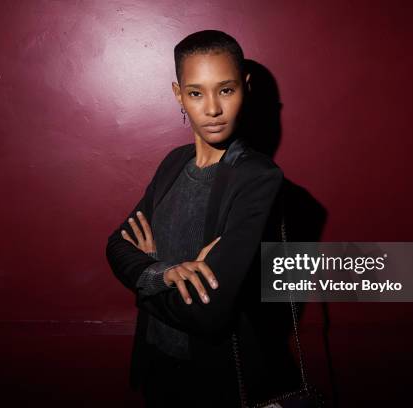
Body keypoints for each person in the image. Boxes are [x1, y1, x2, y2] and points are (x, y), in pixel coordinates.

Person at [106, 30, 302, 407]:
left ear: (245, 88)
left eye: (225, 90)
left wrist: (144, 277)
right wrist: (164, 273)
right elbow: (116, 244)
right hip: (158, 368)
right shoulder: (173, 163)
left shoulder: (259, 178)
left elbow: (209, 311)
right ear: (179, 95)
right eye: (196, 93)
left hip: (218, 380)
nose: (212, 108)